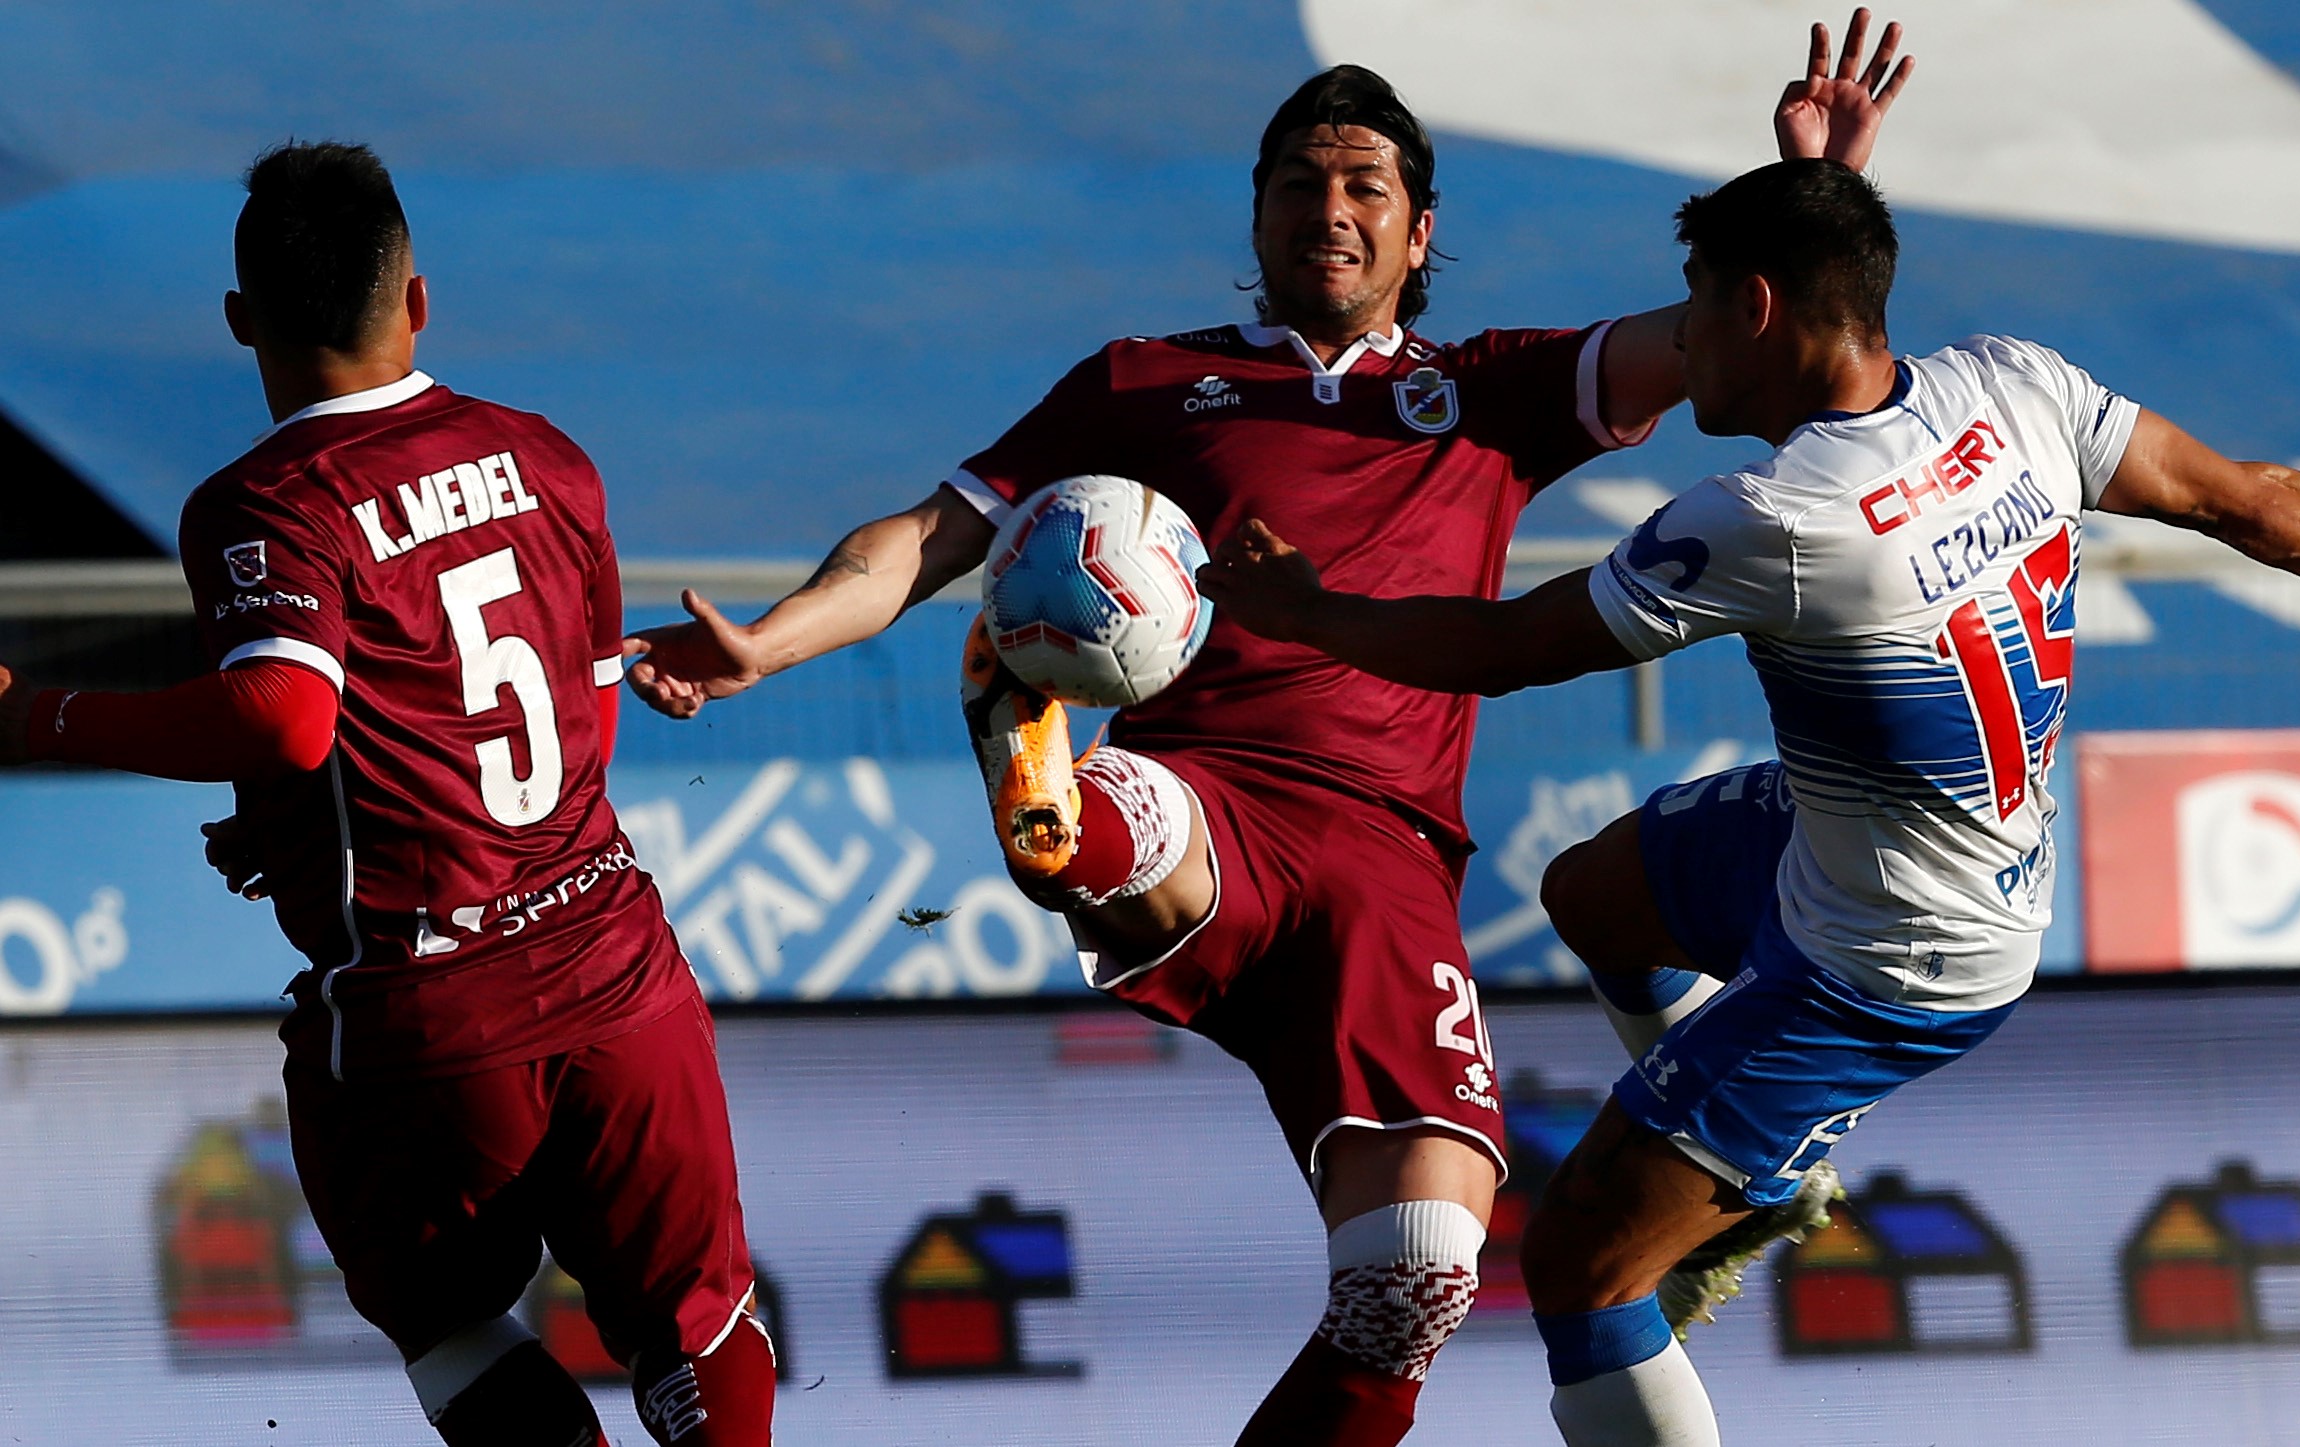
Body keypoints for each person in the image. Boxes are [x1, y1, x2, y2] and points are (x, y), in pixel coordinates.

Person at [622, 16, 1912, 1444]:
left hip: (1389, 866)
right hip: (1213, 797)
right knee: (1131, 825)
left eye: (1365, 185)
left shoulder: (1498, 392)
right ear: (1256, 218)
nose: (1331, 209)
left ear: (1421, 230)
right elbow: (926, 538)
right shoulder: (1143, 383)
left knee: (1418, 1280)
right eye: (1300, 182)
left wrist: (1819, 198)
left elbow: (1740, 333)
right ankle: (1052, 791)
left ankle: (1043, 756)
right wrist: (767, 642)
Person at [1197, 157, 2300, 1446]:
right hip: (1858, 845)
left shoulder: (1769, 517)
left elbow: (1502, 650)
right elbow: (2255, 499)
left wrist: (1305, 611)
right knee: (1593, 895)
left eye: (1696, 304)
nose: (1683, 340)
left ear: (1755, 307)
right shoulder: (2015, 389)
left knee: (1577, 1267)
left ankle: (1734, 1160)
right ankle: (1761, 1175)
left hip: (1882, 965)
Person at [0, 143, 775, 1447]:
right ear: (418, 299)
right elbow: (578, 724)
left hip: (434, 1020)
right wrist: (315, 813)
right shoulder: (547, 456)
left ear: (240, 322)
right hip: (617, 970)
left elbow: (285, 715)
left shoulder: (261, 502)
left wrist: (35, 713)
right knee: (696, 1319)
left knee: (450, 1323)